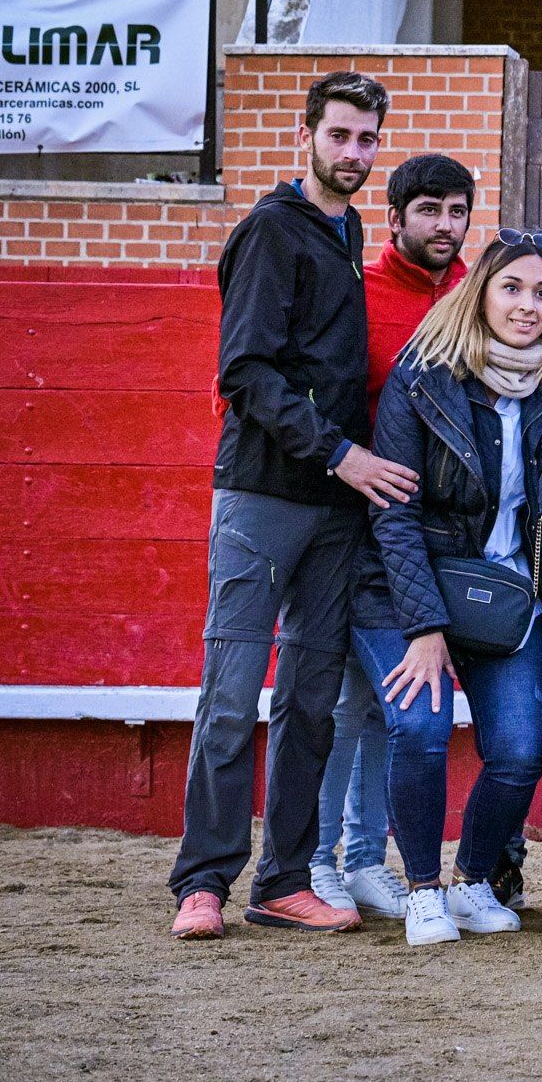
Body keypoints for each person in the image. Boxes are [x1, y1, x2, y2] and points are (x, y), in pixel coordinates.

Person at [169, 71, 414, 940]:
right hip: (264, 495)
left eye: (366, 139)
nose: (354, 153)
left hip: (336, 510)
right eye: (340, 135)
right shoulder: (274, 229)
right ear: (305, 134)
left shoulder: (348, 233)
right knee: (232, 691)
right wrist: (344, 453)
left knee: (310, 696)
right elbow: (246, 374)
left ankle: (281, 879)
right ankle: (202, 880)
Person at [363, 229, 542, 946]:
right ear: (480, 293)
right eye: (513, 288)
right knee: (422, 730)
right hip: (405, 588)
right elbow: (394, 511)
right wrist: (424, 626)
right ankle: (423, 889)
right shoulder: (421, 375)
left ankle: (470, 880)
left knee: (521, 749)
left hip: (505, 591)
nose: (529, 305)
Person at [311, 153, 473, 921]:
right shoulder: (359, 292)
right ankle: (319, 861)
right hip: (345, 520)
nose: (445, 225)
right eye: (430, 210)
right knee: (339, 700)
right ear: (397, 216)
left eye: (457, 210)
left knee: (383, 704)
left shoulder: (479, 294)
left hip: (428, 537)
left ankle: (366, 855)